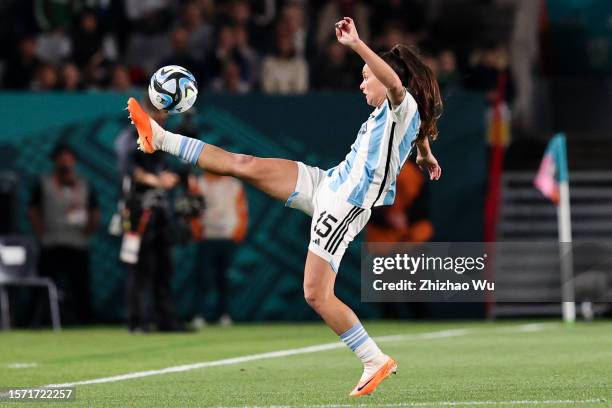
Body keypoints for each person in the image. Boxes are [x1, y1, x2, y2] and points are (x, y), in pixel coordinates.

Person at [126, 17, 442, 396]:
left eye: (364, 76)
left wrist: (357, 43)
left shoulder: (399, 103)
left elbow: (394, 86)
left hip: (345, 206)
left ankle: (373, 358)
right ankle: (158, 137)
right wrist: (424, 155)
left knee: (315, 294)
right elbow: (419, 124)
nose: (362, 83)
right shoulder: (400, 113)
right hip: (325, 183)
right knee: (244, 165)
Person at [120, 100, 183, 333]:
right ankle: (137, 321)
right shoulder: (129, 136)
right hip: (137, 213)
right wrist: (157, 181)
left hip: (161, 213)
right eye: (157, 111)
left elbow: (171, 169)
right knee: (139, 269)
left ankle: (166, 320)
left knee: (164, 268)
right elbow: (127, 169)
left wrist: (172, 178)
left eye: (164, 112)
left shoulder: (163, 139)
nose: (162, 116)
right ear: (145, 112)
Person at [28, 144, 99, 325]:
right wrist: (41, 233)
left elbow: (94, 212)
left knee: (80, 287)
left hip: (77, 243)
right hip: (52, 243)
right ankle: (35, 321)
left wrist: (88, 231)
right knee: (43, 286)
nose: (65, 162)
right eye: (61, 158)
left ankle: (86, 321)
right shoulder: (44, 184)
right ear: (54, 161)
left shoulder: (84, 184)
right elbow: (33, 211)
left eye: (68, 158)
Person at [190, 172, 249, 326]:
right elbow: (194, 211)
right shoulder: (199, 183)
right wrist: (197, 232)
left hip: (227, 238)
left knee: (225, 278)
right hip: (207, 237)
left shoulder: (234, 184)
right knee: (203, 277)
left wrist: (238, 233)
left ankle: (224, 314)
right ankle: (200, 314)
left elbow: (242, 209)